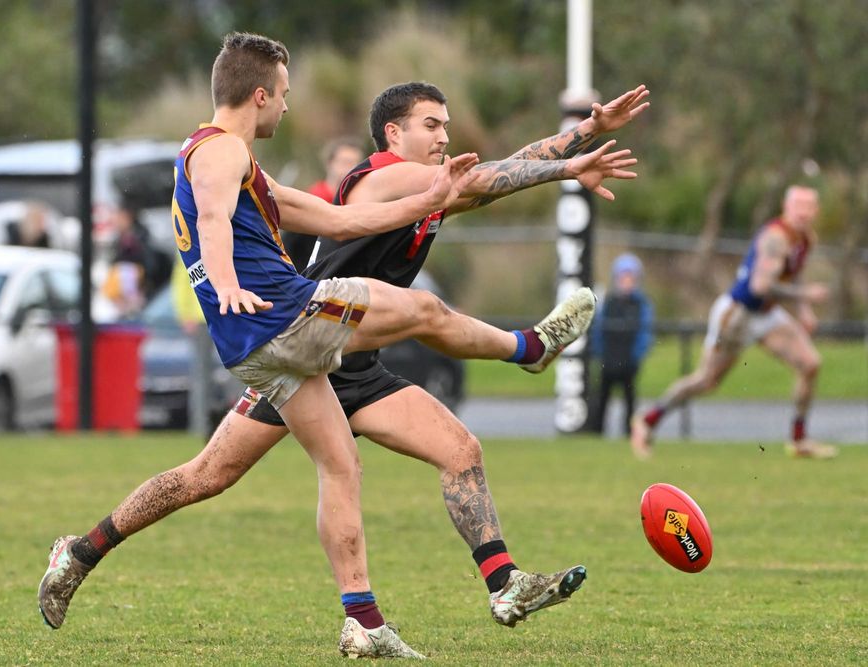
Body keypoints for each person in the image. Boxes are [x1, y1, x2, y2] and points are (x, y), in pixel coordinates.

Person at [39, 33, 641, 659]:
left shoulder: (254, 171)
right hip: (292, 320)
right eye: (431, 125)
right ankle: (529, 348)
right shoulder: (222, 152)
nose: (289, 109)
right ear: (261, 94)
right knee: (424, 309)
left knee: (284, 470)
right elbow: (214, 219)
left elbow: (337, 220)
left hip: (281, 350)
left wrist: (449, 191)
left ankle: (89, 555)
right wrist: (223, 284)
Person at [631, 185, 838, 460]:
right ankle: (647, 421)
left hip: (768, 315)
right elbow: (760, 286)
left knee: (810, 364)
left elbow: (793, 273)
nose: (802, 212)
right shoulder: (776, 237)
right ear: (785, 207)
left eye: (807, 207)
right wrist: (806, 295)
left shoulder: (806, 239)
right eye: (797, 206)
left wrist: (804, 311)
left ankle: (798, 440)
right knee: (706, 381)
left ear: (815, 211)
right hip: (738, 315)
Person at [589, 253, 654, 435]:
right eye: (623, 277)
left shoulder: (641, 305)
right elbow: (598, 331)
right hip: (608, 360)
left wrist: (636, 356)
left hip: (629, 362)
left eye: (630, 277)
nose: (626, 281)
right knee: (601, 399)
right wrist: (600, 353)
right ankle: (596, 432)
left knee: (629, 401)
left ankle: (629, 433)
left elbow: (645, 334)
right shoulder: (608, 302)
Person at [282, 137, 365, 272]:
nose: (351, 169)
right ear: (329, 164)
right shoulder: (312, 199)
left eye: (356, 164)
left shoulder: (356, 204)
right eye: (345, 162)